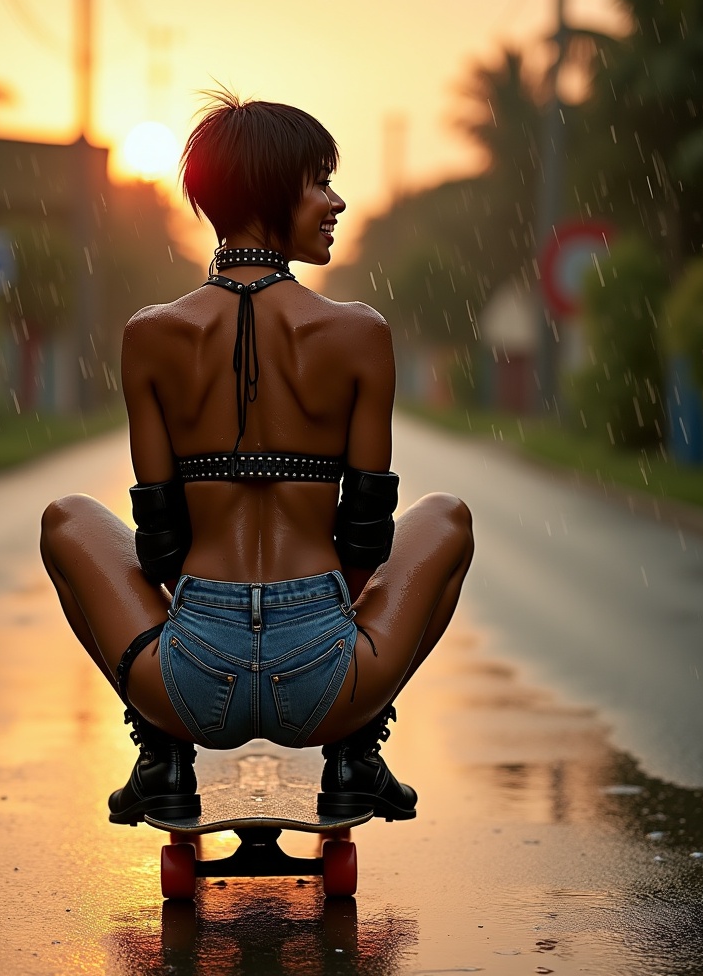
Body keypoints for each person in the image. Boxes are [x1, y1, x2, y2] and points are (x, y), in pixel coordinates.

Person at [40, 92, 474, 826]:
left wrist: (216, 624)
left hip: (189, 677)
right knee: (449, 519)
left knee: (66, 519)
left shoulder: (151, 335)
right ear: (271, 194)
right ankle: (355, 755)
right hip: (331, 679)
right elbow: (368, 531)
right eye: (319, 182)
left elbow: (159, 537)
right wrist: (325, 626)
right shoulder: (359, 333)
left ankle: (162, 758)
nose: (335, 202)